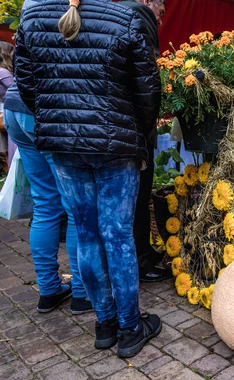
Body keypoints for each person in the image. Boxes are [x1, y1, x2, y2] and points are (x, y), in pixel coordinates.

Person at [15, 0, 163, 358]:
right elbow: (148, 92)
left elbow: (27, 85)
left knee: (87, 234)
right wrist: (138, 139)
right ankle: (129, 328)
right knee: (118, 236)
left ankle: (105, 323)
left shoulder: (31, 19)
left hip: (64, 145)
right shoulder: (125, 18)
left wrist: (60, 123)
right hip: (116, 145)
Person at [3, 29, 91, 314]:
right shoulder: (69, 11)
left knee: (45, 205)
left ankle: (49, 289)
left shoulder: (32, 9)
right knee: (76, 208)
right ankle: (81, 292)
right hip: (45, 106)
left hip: (15, 104)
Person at [120, 0, 170, 282]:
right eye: (160, 13)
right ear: (149, 2)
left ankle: (142, 253)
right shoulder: (138, 14)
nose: (160, 21)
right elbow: (149, 79)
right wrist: (147, 125)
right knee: (137, 198)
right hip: (134, 128)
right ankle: (141, 262)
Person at [0, 41, 14, 173]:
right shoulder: (3, 72)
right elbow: (16, 90)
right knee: (13, 149)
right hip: (10, 113)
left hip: (5, 113)